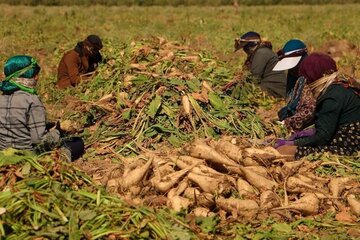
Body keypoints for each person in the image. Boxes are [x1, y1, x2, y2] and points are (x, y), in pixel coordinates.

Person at [0, 55, 84, 161]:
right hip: (27, 158)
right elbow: (39, 140)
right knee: (77, 142)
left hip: (4, 156)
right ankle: (58, 163)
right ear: (26, 76)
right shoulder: (32, 100)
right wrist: (58, 131)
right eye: (34, 74)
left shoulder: (1, 98)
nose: (37, 78)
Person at [276, 53, 360, 159]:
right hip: (345, 138)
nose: (306, 81)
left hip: (350, 145)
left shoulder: (332, 96)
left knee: (285, 151)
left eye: (307, 77)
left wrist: (292, 143)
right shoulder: (339, 87)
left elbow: (323, 137)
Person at [274, 39, 316, 132]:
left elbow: (310, 110)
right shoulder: (293, 75)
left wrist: (288, 122)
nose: (292, 70)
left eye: (294, 67)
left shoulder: (311, 77)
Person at [234, 31, 287, 98]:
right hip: (269, 85)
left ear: (250, 46)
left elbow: (255, 77)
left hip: (275, 88)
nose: (244, 50)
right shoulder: (260, 52)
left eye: (245, 47)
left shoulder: (261, 53)